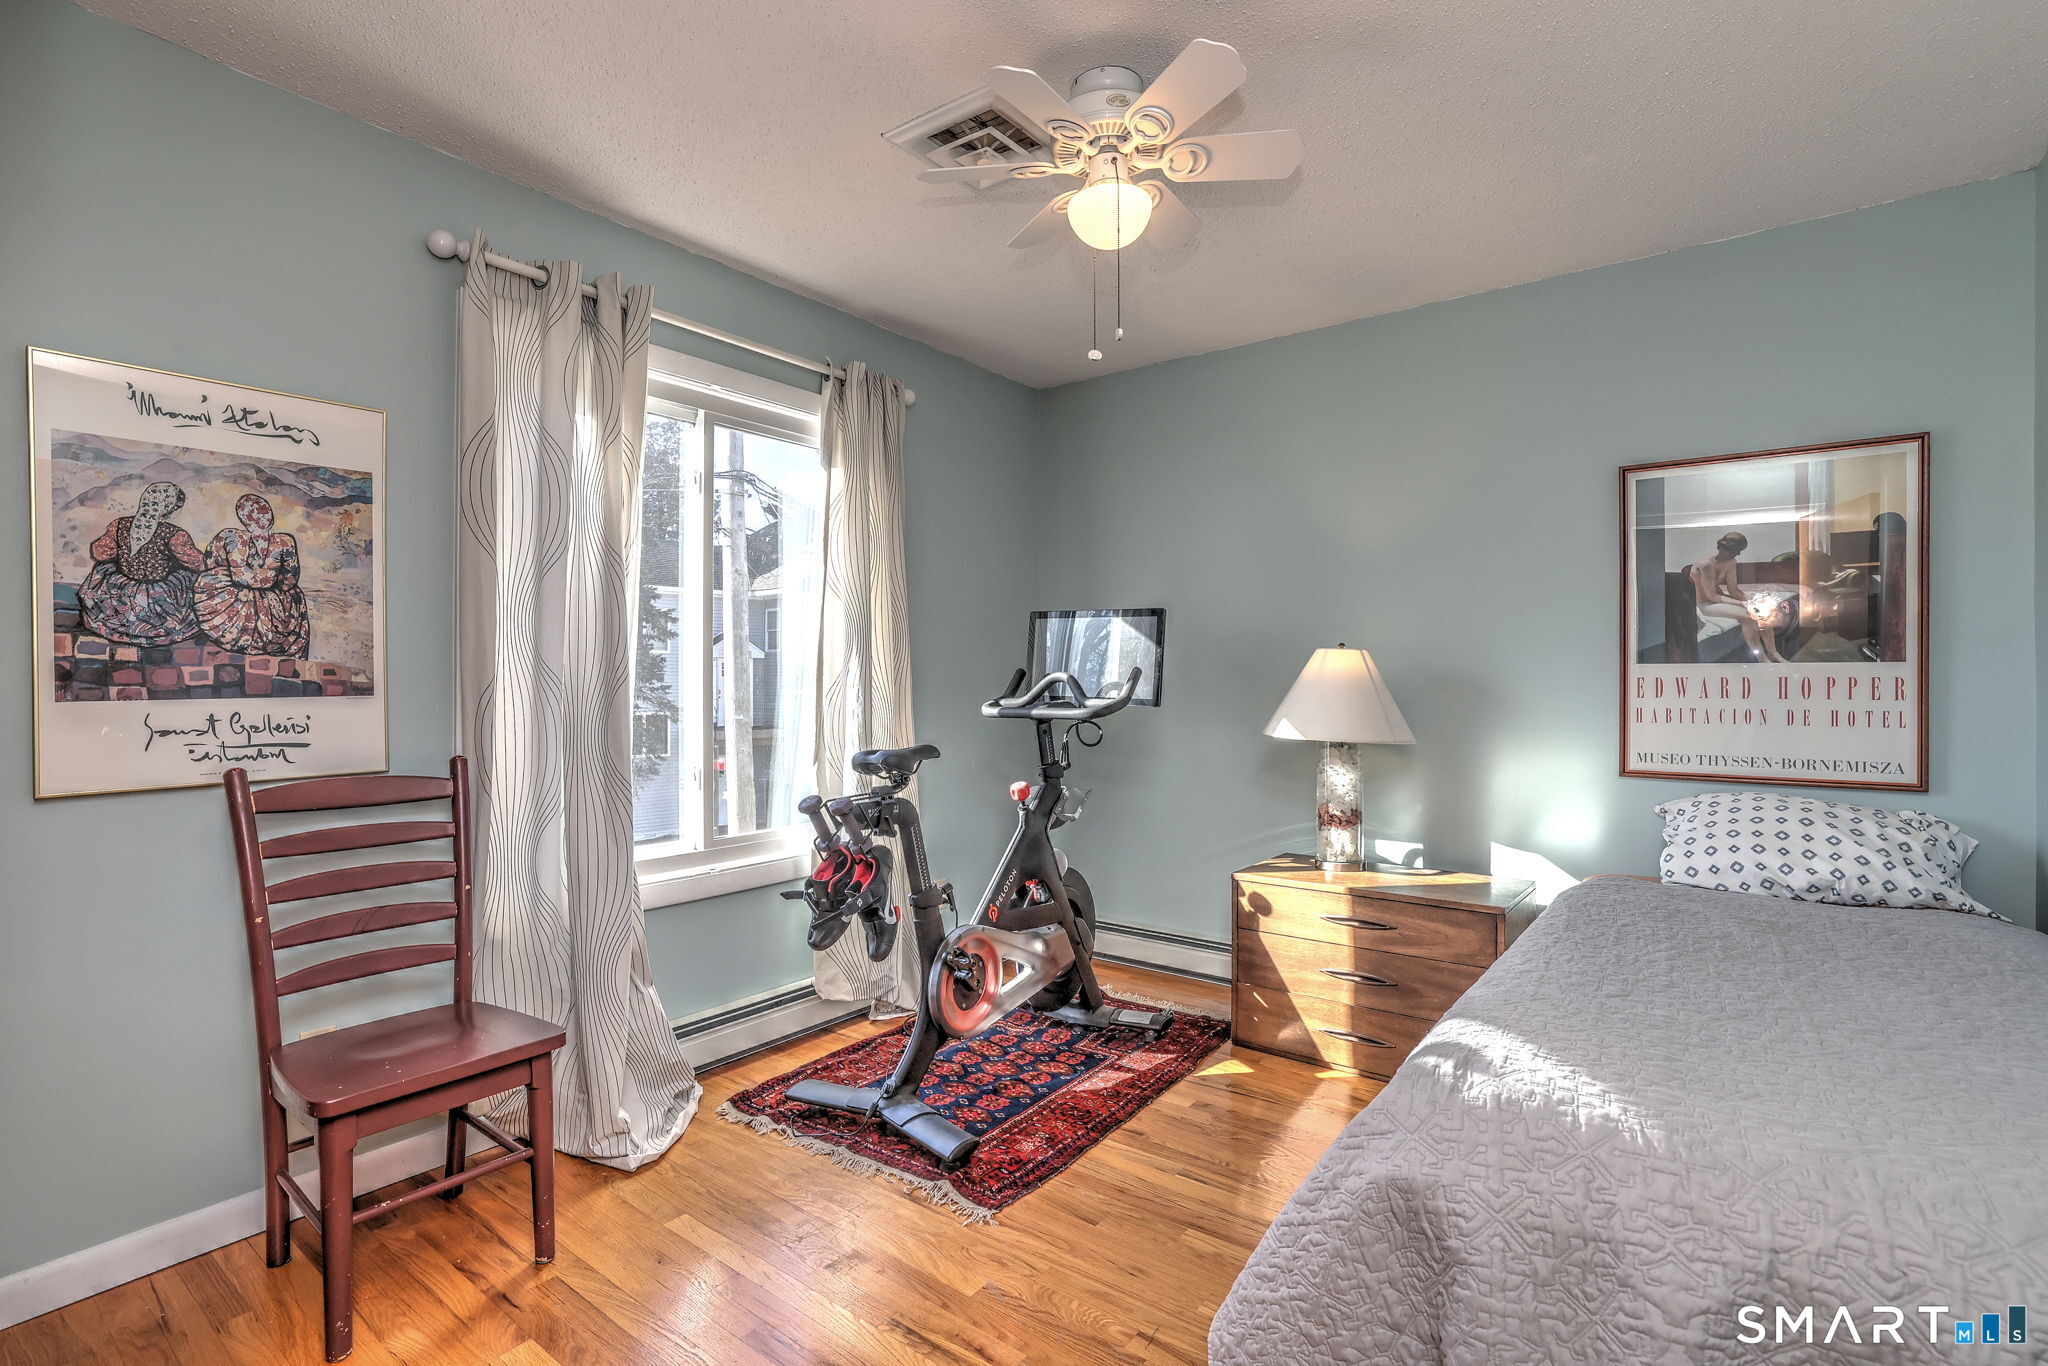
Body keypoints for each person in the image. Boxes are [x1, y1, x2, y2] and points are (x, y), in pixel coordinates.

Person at [77, 481, 205, 646]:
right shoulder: (175, 534)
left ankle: (116, 627)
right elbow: (197, 563)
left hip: (121, 593)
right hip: (156, 600)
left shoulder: (119, 525)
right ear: (171, 509)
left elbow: (99, 553)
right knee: (189, 578)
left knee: (103, 570)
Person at [194, 493, 312, 658]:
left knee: (211, 579)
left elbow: (209, 563)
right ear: (270, 517)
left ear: (243, 519)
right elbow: (290, 579)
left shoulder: (229, 536)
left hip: (231, 608)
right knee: (294, 596)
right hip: (271, 609)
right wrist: (274, 583)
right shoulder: (285, 541)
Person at [1689, 531, 1788, 663]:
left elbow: (1734, 590)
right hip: (1705, 603)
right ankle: (1762, 658)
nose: (1739, 554)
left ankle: (1773, 653)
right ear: (1732, 549)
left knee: (1763, 612)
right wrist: (1743, 604)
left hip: (1719, 598)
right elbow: (1711, 596)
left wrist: (1752, 601)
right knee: (1748, 617)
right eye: (1738, 551)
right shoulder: (1706, 565)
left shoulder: (1731, 562)